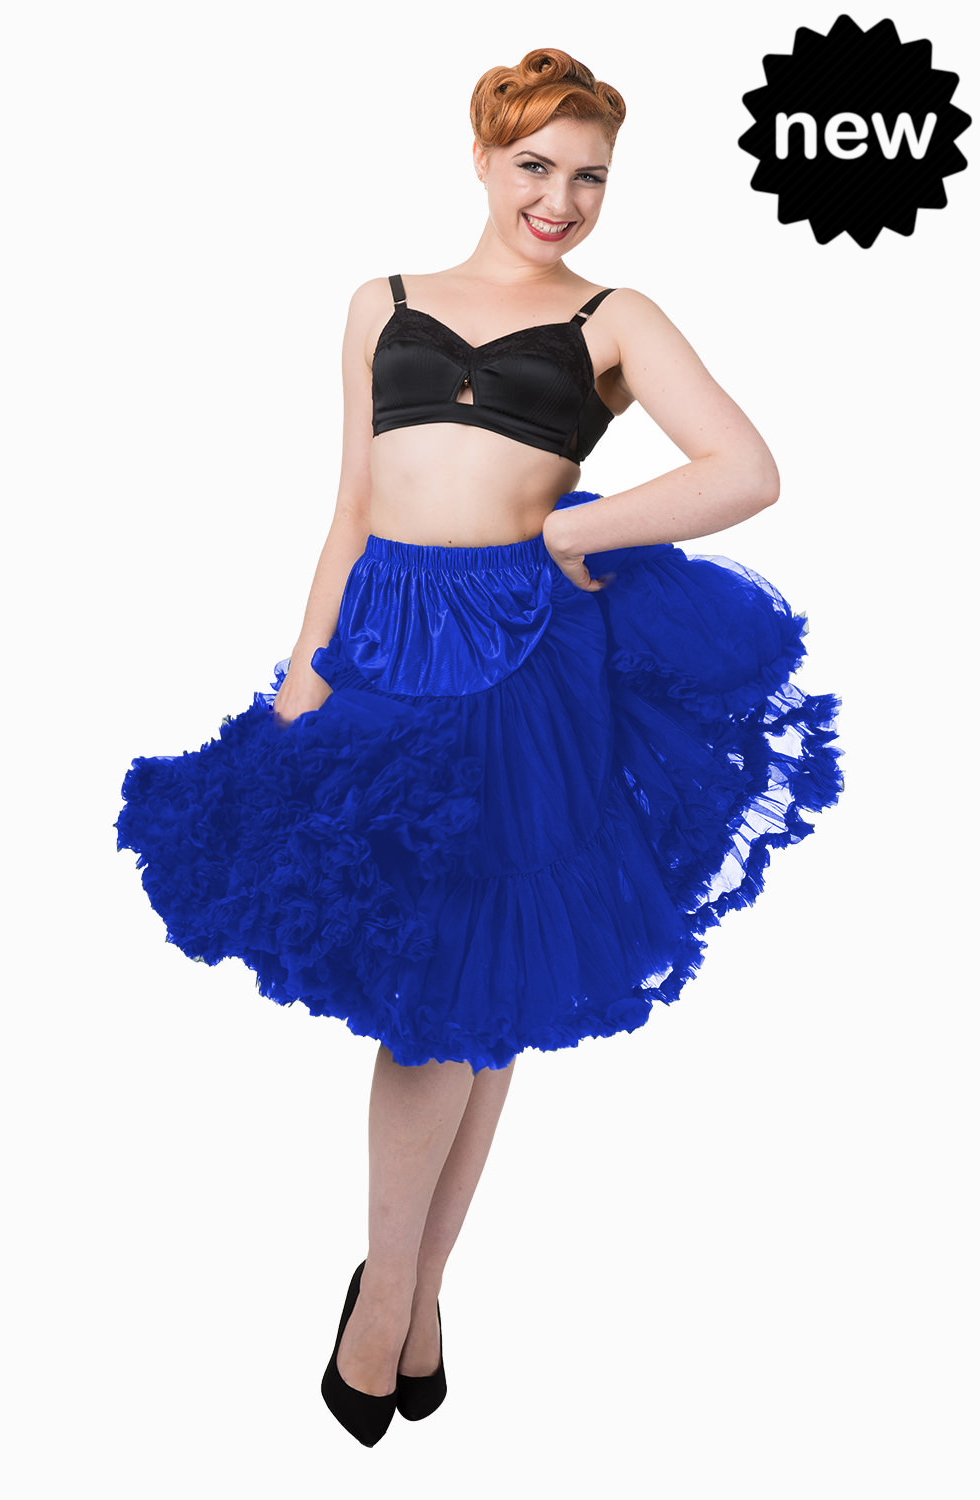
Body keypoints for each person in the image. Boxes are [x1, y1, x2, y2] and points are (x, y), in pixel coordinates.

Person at [115, 48, 843, 1446]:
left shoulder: (614, 317)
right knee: (426, 988)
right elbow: (348, 505)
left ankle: (396, 1298)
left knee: (475, 990)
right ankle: (406, 1293)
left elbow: (745, 470)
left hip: (521, 655)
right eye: (535, 167)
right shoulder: (379, 301)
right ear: (483, 158)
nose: (560, 199)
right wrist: (301, 668)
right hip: (384, 640)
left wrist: (570, 532)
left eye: (589, 177)